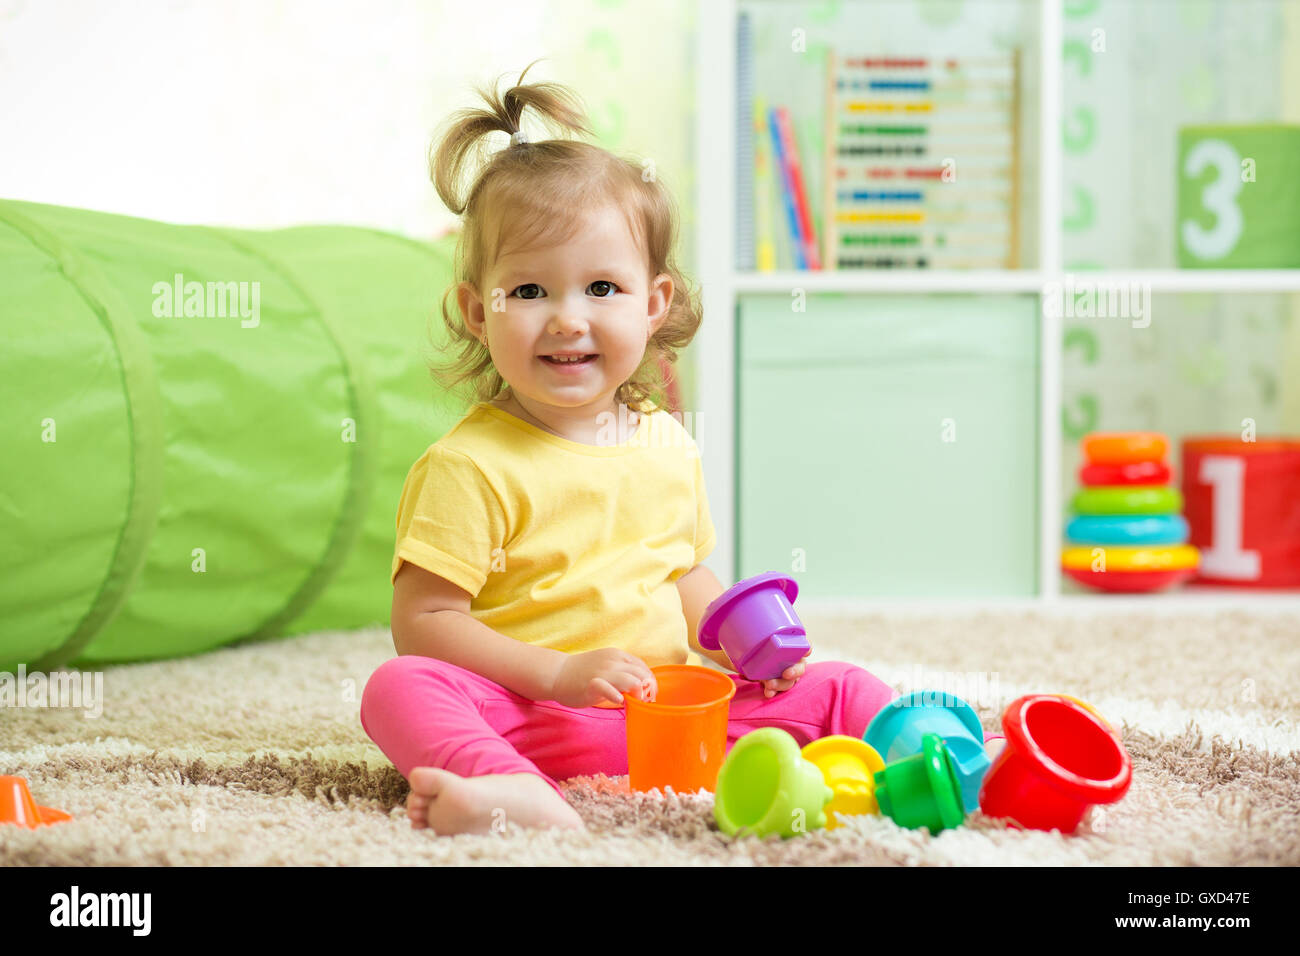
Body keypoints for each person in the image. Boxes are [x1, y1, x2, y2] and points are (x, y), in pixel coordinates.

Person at [361, 62, 906, 837]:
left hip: (668, 714)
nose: (566, 319)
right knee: (399, 686)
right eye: (528, 291)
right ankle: (515, 796)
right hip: (537, 714)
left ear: (654, 306)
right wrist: (557, 673)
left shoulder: (666, 444)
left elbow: (682, 571)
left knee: (841, 686)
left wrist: (740, 646)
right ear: (476, 312)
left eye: (602, 289)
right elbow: (424, 621)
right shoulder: (469, 465)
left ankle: (924, 759)